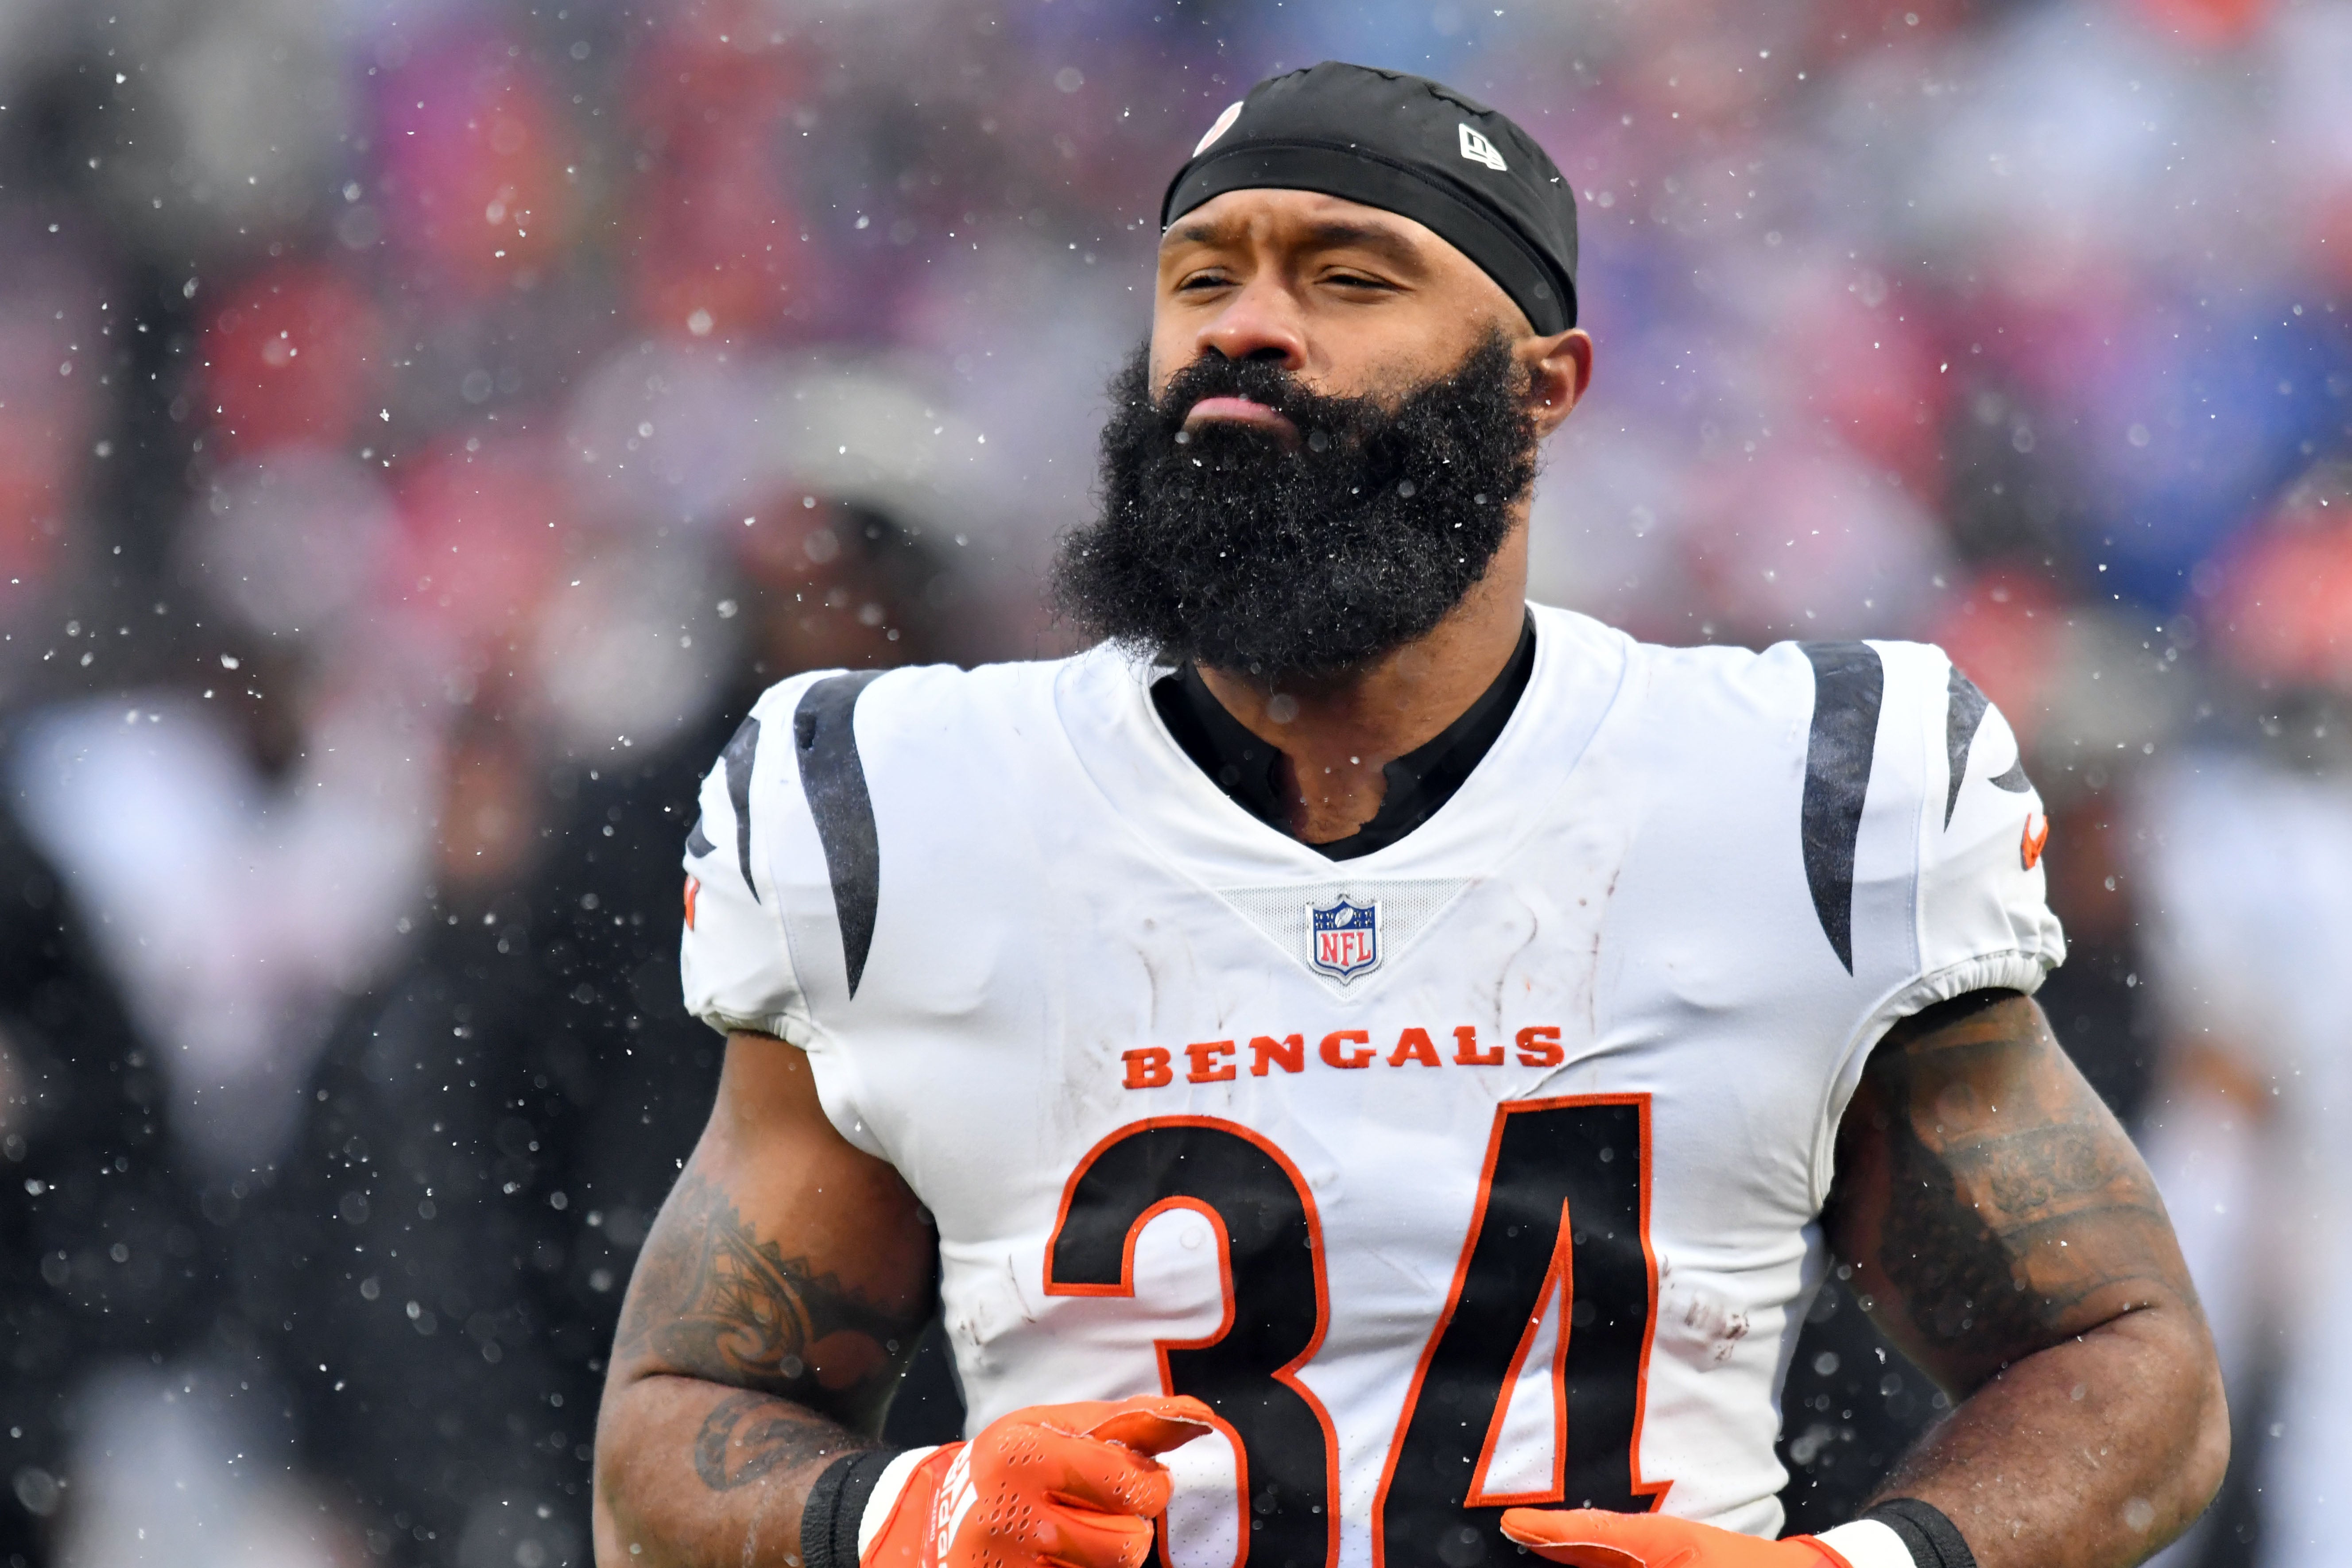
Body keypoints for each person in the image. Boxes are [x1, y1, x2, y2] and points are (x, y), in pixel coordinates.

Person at [593, 62, 2225, 1568]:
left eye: (1348, 277)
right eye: (1202, 275)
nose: (1247, 326)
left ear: (1542, 386)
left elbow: (2124, 1360)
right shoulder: (904, 802)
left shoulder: (1801, 790)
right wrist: (910, 1512)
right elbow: (663, 1442)